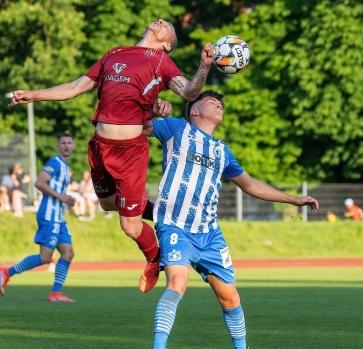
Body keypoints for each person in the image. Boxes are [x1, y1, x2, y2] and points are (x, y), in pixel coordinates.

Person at [9, 19, 215, 292]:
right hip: (100, 146)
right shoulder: (114, 53)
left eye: (168, 26)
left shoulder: (161, 61)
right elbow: (75, 87)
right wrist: (34, 95)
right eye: (161, 20)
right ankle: (165, 214)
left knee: (130, 226)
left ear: (167, 45)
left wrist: (204, 66)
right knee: (107, 204)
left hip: (129, 152)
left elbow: (189, 92)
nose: (161, 21)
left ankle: (155, 257)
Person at [141, 91, 320, 349]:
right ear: (194, 111)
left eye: (220, 103)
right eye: (211, 101)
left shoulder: (222, 151)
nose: (218, 104)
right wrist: (151, 109)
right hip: (175, 226)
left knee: (230, 297)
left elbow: (250, 184)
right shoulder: (176, 128)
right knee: (177, 282)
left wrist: (293, 199)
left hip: (210, 234)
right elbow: (139, 125)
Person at [0, 132, 76, 302]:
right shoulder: (55, 163)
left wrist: (67, 199)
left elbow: (58, 191)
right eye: (63, 143)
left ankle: (56, 293)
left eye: (69, 143)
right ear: (58, 146)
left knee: (68, 253)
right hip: (49, 215)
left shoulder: (66, 166)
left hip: (58, 217)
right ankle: (5, 272)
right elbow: (39, 183)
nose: (66, 145)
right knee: (45, 257)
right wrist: (61, 197)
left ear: (73, 146)